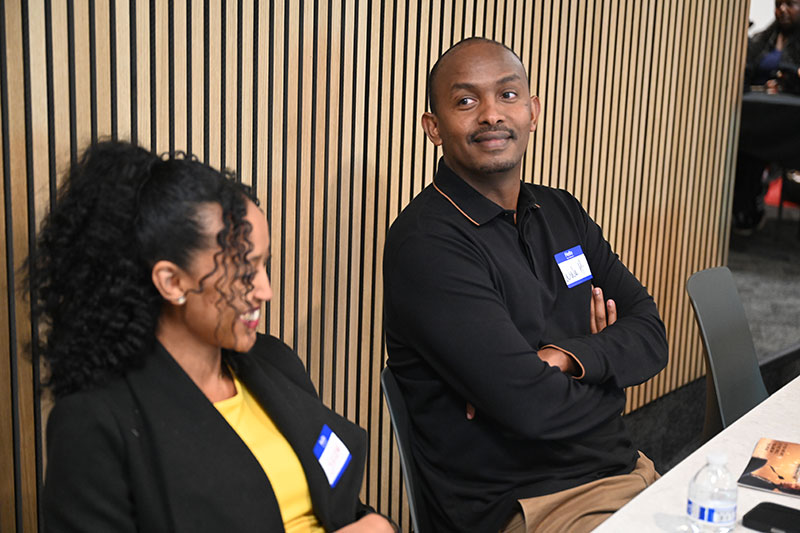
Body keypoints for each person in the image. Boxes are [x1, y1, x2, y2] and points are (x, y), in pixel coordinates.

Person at [32, 141, 395, 533]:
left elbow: (339, 505)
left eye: (264, 265)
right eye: (244, 271)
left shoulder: (274, 363)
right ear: (172, 281)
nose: (265, 290)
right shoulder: (97, 423)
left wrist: (377, 524)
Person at [383, 38, 668, 532]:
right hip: (527, 506)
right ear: (434, 128)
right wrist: (610, 377)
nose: (491, 114)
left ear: (533, 111)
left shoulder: (561, 211)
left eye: (508, 95)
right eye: (466, 101)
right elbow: (532, 408)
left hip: (625, 470)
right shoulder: (427, 244)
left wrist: (567, 358)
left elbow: (651, 334)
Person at [735, 0, 800, 233]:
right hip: (758, 113)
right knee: (744, 141)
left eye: (790, 4)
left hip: (790, 121)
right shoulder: (763, 39)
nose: (782, 9)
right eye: (778, 4)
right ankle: (745, 208)